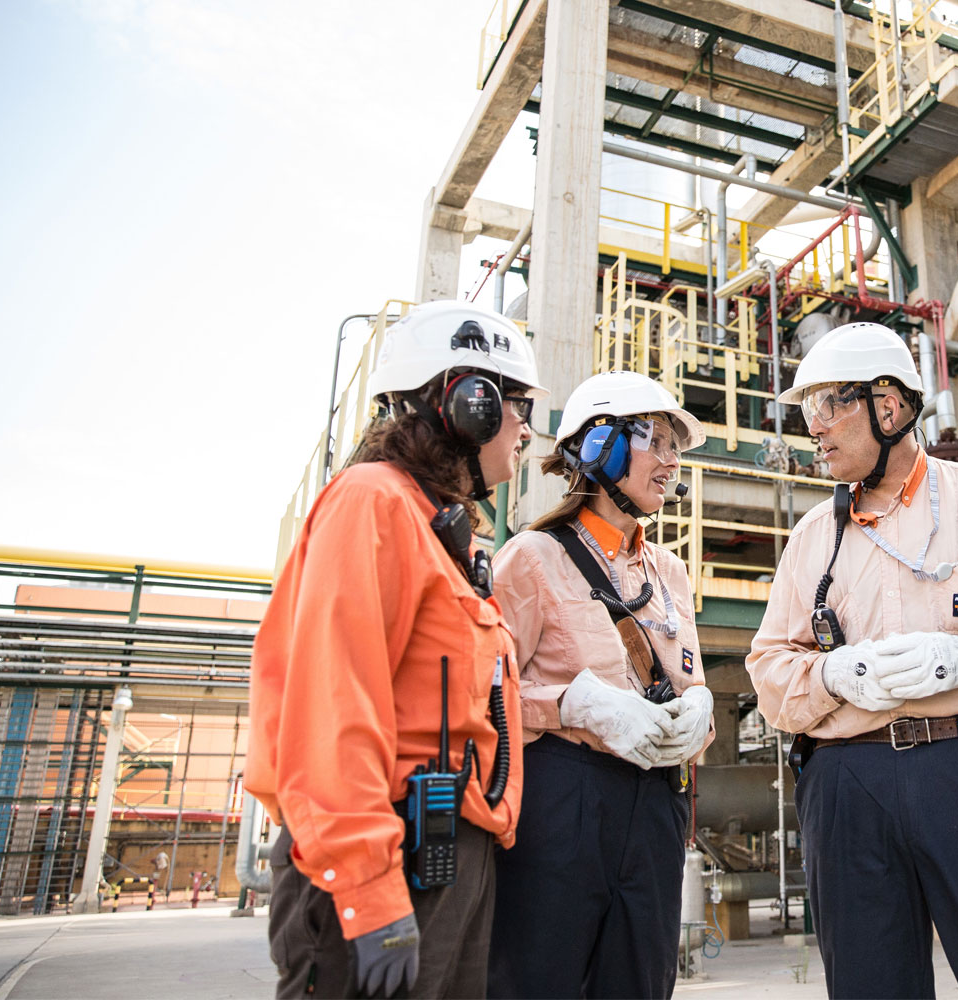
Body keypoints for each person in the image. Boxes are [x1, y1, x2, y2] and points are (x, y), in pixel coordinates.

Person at [746, 322, 958, 999]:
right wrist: (831, 674)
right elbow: (769, 668)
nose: (813, 428)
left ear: (889, 407)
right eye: (807, 410)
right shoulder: (813, 535)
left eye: (825, 406)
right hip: (848, 783)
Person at [248, 301, 543, 998]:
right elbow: (331, 704)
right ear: (469, 404)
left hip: (444, 857)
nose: (527, 430)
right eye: (517, 406)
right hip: (389, 861)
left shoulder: (441, 533)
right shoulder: (373, 502)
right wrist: (368, 891)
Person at [486, 370, 714, 999]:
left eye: (677, 448)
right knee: (538, 979)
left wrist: (700, 712)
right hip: (564, 801)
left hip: (657, 807)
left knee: (639, 982)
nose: (672, 462)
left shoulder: (669, 571)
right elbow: (480, 697)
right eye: (658, 441)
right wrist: (570, 704)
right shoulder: (531, 559)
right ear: (601, 447)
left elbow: (685, 674)